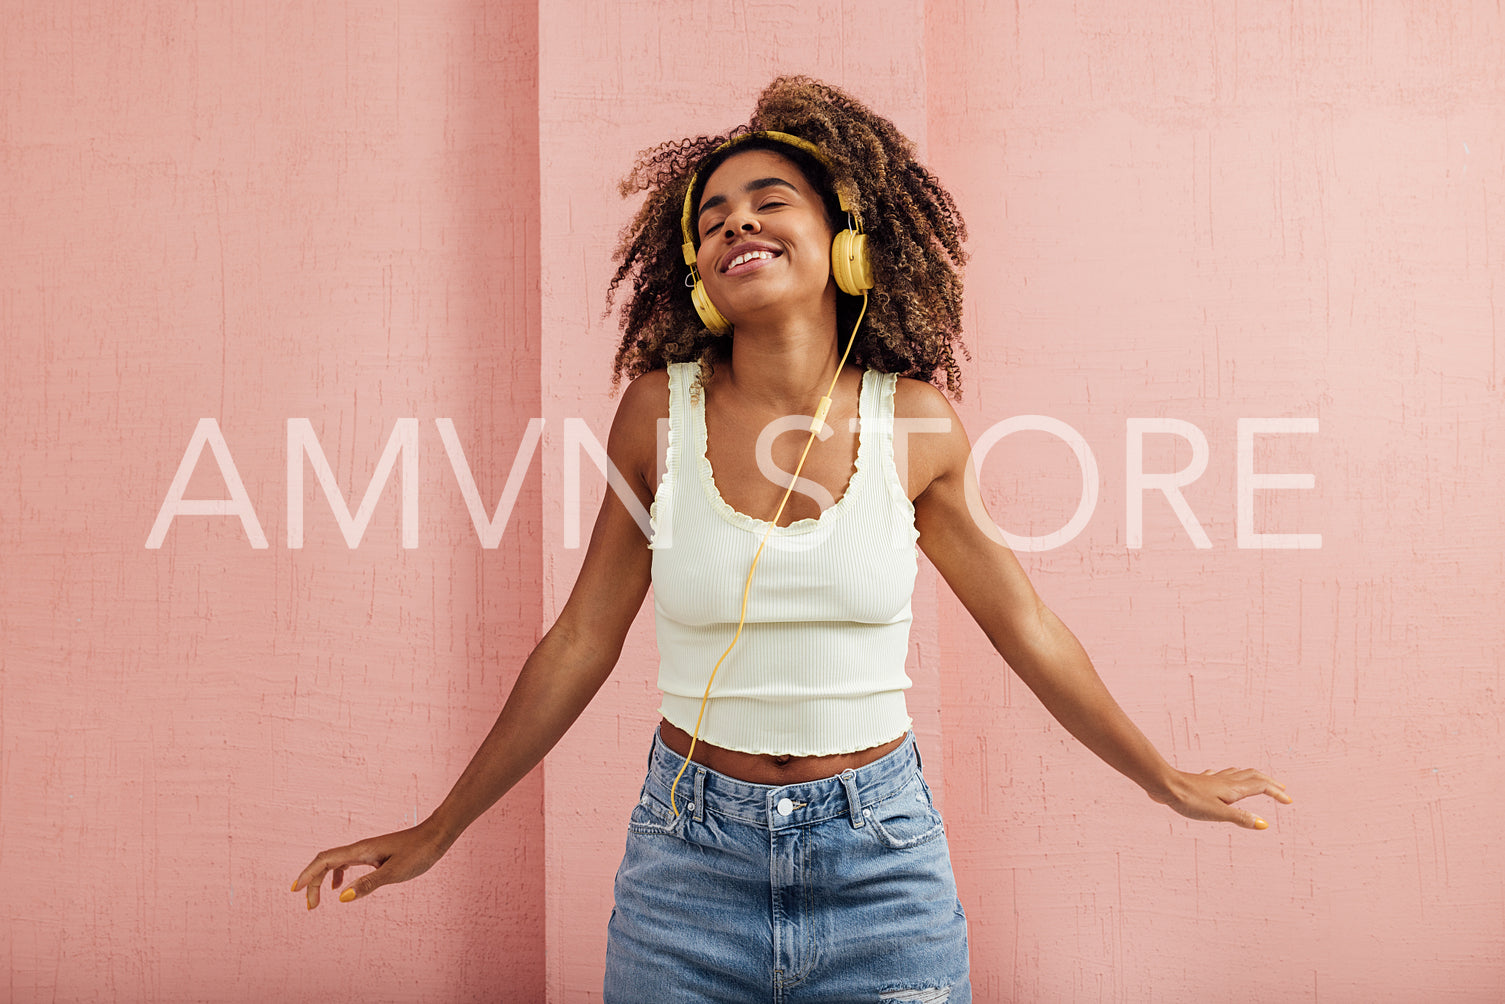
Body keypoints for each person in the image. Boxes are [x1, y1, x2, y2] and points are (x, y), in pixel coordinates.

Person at [293, 76, 1292, 1002]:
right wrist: (443, 824)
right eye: (714, 217)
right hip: (685, 863)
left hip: (881, 860)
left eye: (769, 200)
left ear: (845, 242)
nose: (738, 223)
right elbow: (579, 641)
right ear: (695, 270)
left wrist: (1161, 776)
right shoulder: (655, 416)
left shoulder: (916, 425)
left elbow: (1023, 623)